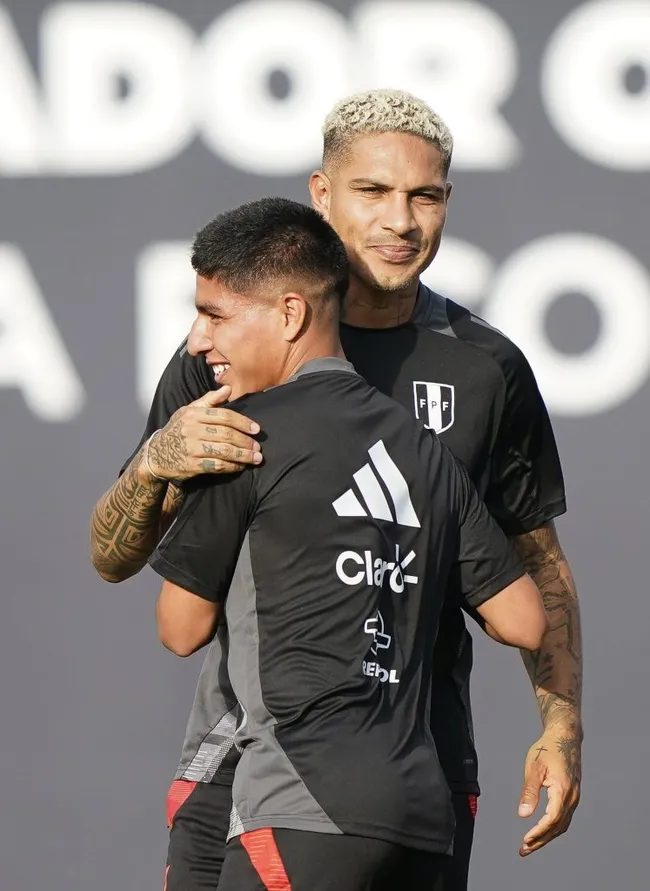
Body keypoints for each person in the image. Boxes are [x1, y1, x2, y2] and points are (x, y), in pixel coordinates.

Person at [90, 90, 582, 891]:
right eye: (373, 191)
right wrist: (155, 463)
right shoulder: (231, 347)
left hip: (423, 760)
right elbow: (117, 556)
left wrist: (561, 727)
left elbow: (541, 568)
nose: (401, 220)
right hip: (243, 756)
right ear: (322, 195)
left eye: (424, 195)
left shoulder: (487, 369)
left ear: (447, 203)